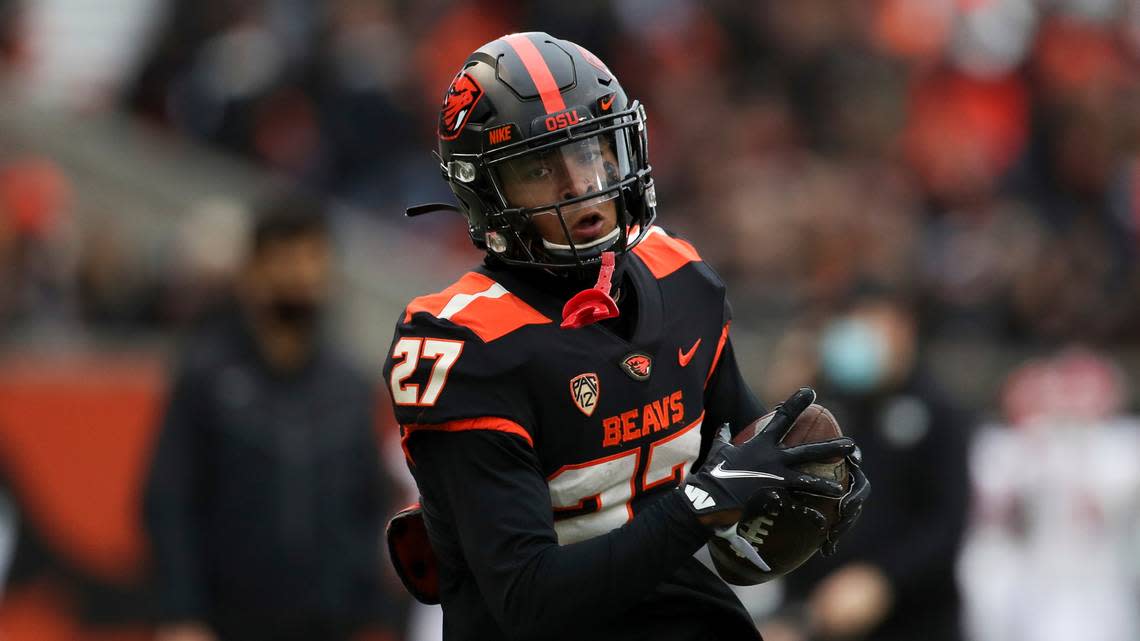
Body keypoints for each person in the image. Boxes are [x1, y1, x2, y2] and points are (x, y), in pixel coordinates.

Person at [383, 33, 869, 641]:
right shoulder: (465, 345)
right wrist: (704, 503)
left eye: (589, 150)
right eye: (539, 167)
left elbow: (742, 451)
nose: (577, 184)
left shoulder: (681, 279)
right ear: (485, 190)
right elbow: (529, 601)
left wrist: (788, 477)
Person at [143, 195, 395, 641]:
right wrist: (180, 614)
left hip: (330, 624)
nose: (301, 275)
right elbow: (170, 501)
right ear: (253, 272)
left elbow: (367, 507)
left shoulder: (350, 386)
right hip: (228, 622)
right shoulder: (206, 376)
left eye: (313, 259)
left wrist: (372, 614)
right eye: (286, 259)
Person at [761, 292, 970, 641]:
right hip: (816, 616)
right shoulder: (826, 407)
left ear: (904, 330)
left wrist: (883, 578)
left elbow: (946, 523)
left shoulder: (938, 413)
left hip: (914, 617)